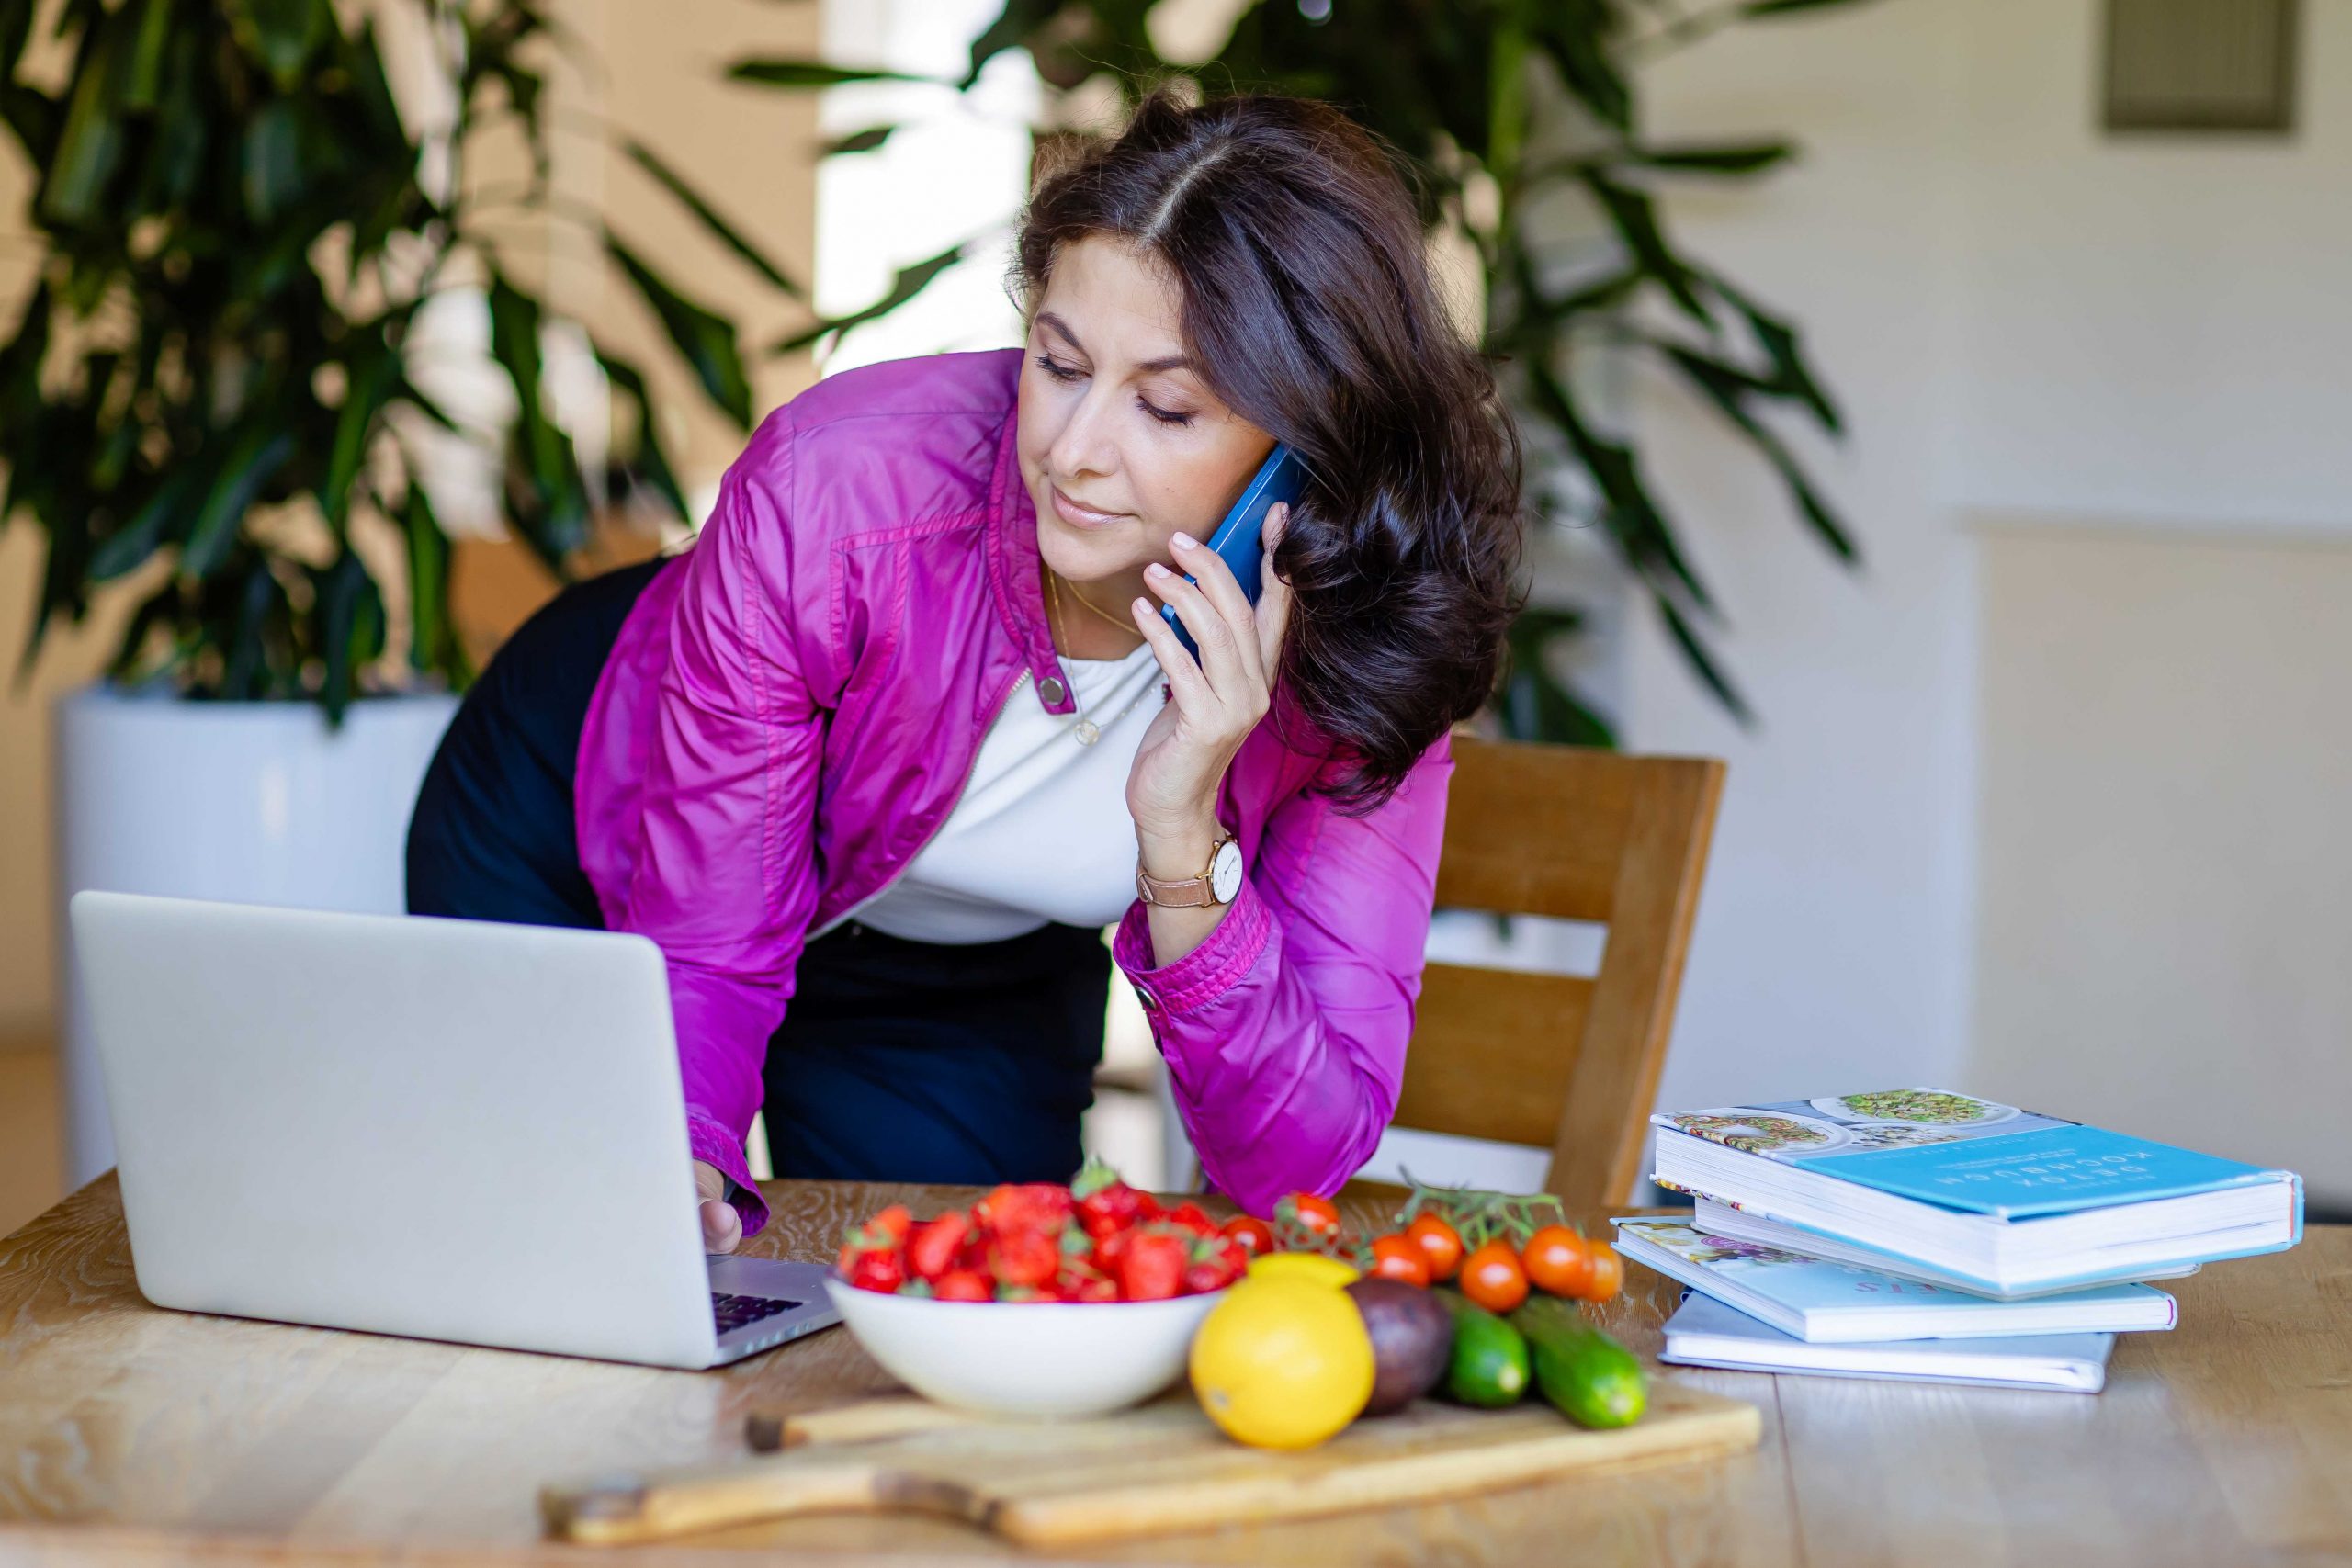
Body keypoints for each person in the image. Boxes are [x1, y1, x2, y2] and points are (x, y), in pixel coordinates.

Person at [405, 89, 1521, 1253]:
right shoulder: (837, 487)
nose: (1074, 454)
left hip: (958, 971)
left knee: (956, 1305)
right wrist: (677, 1151)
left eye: (1165, 406)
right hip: (593, 830)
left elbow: (1294, 1157)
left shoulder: (1363, 655)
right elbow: (708, 937)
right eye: (1059, 364)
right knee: (567, 1261)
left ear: (1312, 445)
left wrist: (1181, 840)